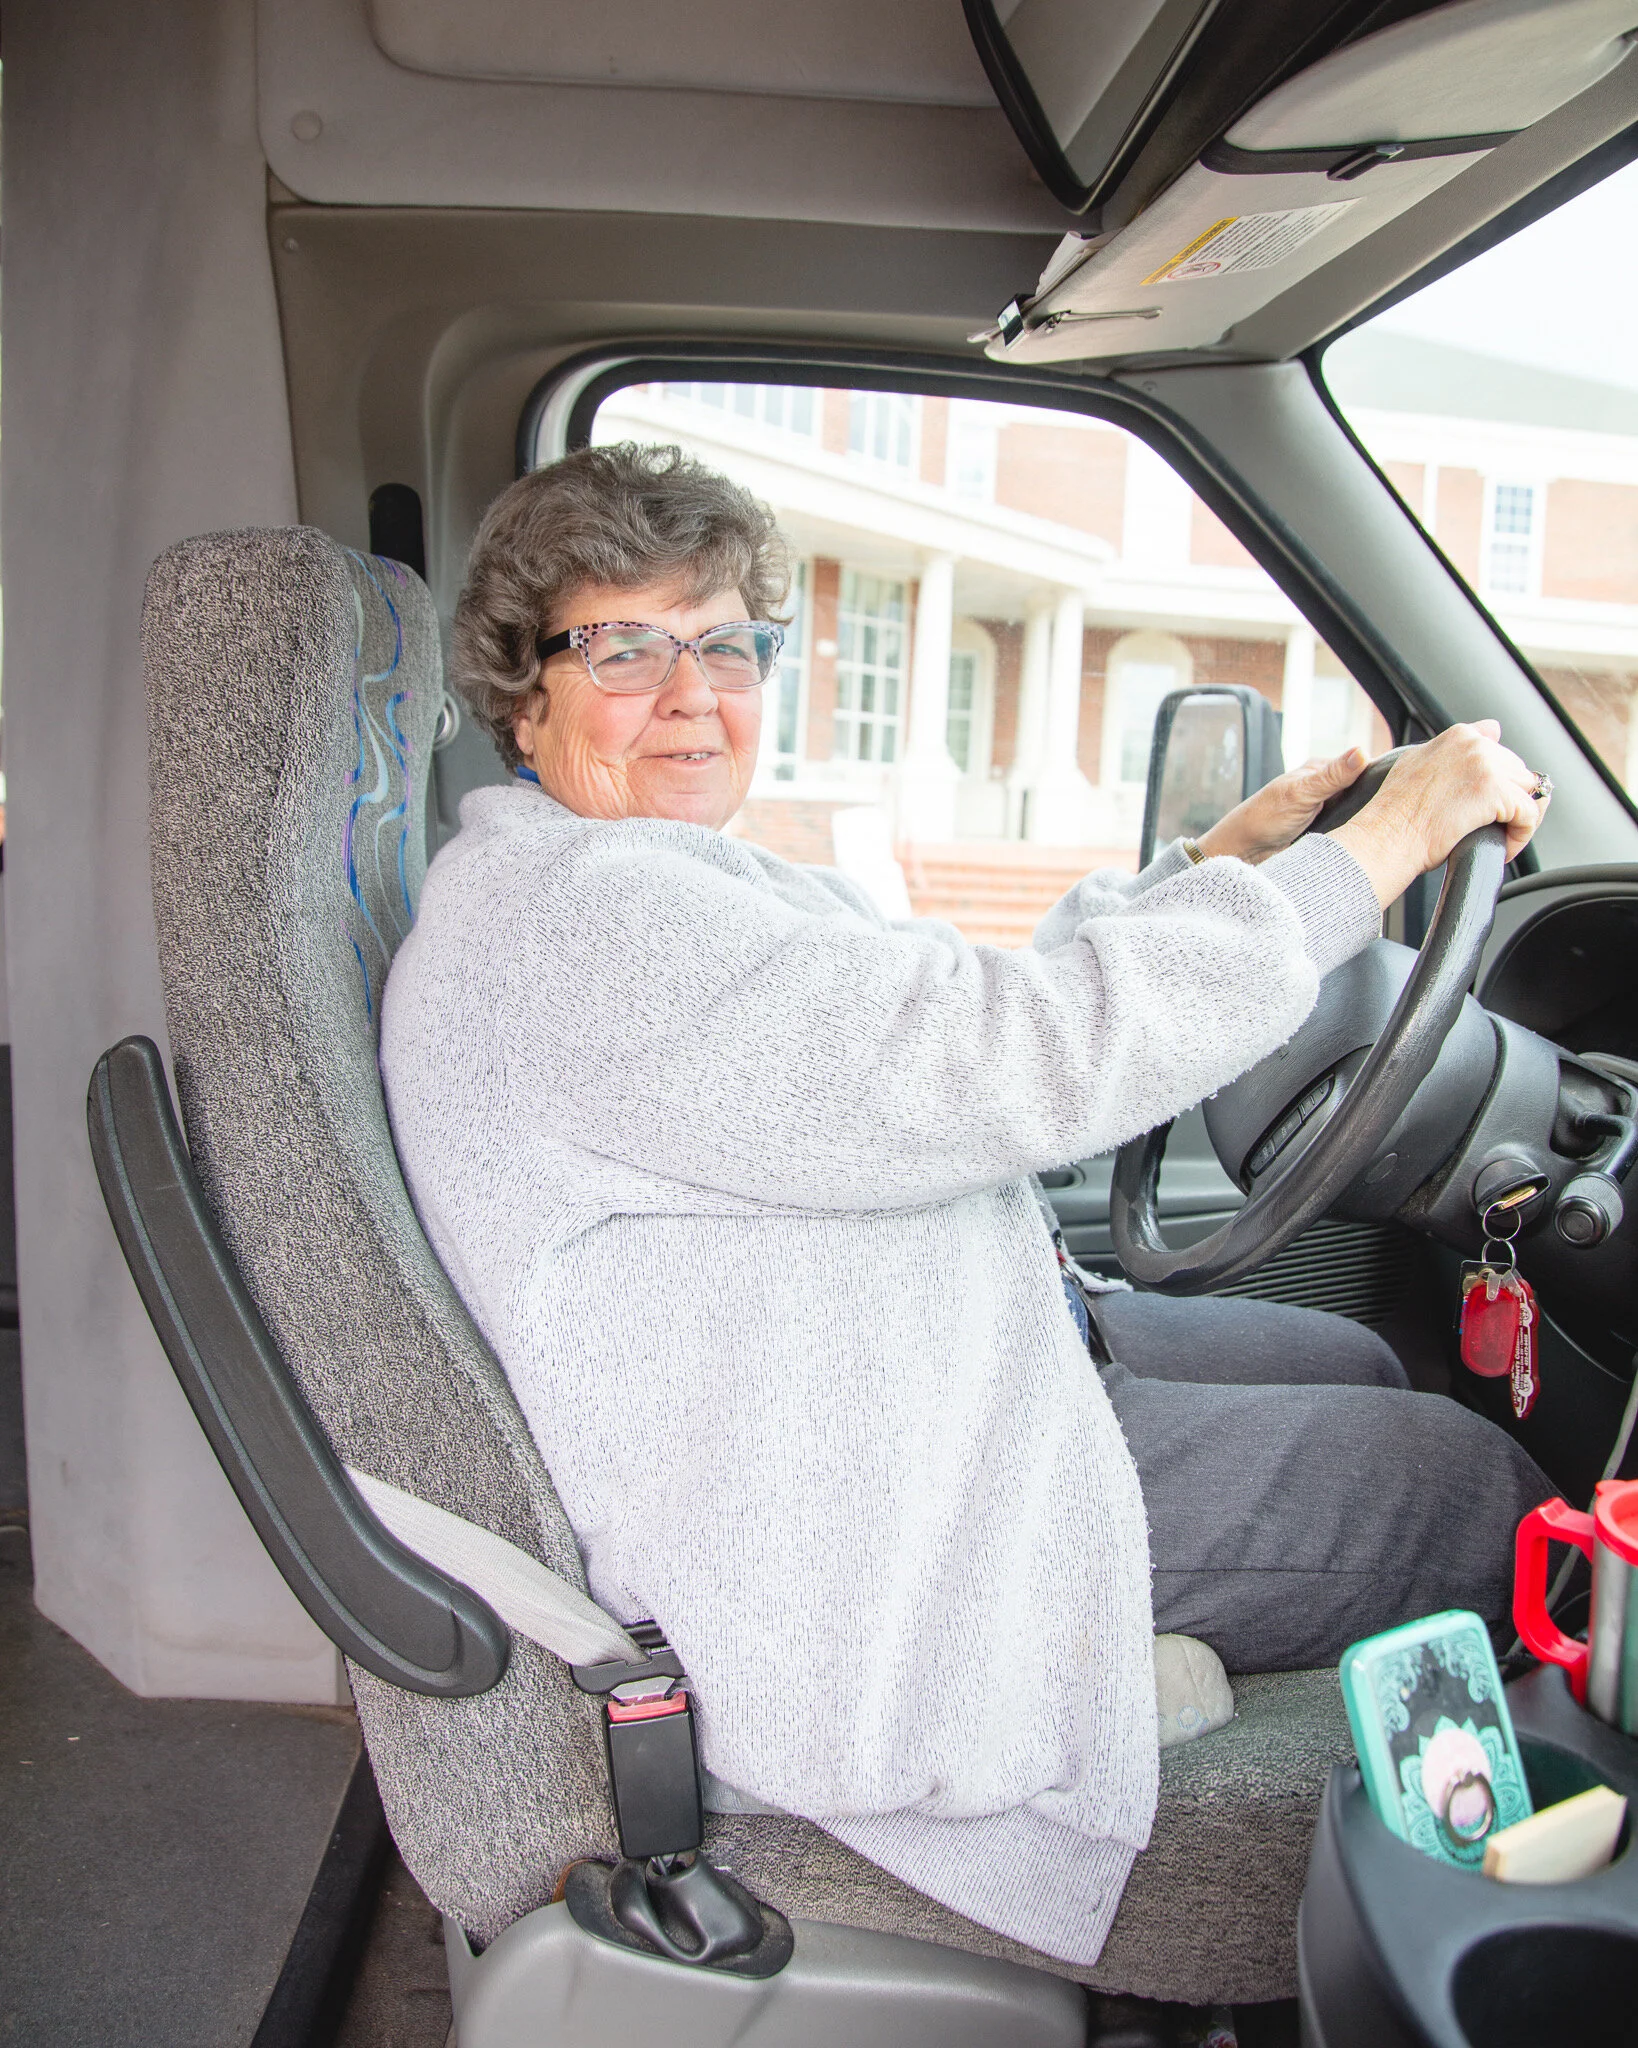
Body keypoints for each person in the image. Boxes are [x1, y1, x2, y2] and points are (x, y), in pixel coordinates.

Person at [380, 442, 1552, 1965]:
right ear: (520, 691)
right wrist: (1367, 856)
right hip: (865, 1533)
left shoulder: (624, 880)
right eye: (622, 647)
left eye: (726, 642)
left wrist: (1209, 867)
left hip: (886, 1397)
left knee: (1359, 1364)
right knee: (1456, 1485)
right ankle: (1510, 1914)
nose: (692, 692)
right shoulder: (593, 932)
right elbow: (1005, 1058)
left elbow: (928, 1015)